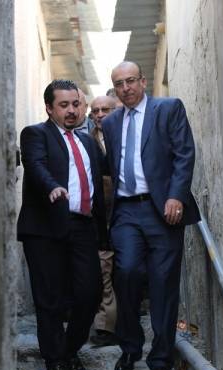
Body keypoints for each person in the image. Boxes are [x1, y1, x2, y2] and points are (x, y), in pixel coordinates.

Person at [101, 61, 200, 370]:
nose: (126, 88)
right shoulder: (111, 123)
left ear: (143, 81)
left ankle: (161, 359)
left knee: (163, 283)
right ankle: (130, 347)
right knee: (126, 272)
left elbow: (184, 154)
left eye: (131, 81)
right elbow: (111, 166)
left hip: (162, 210)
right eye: (119, 83)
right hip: (127, 212)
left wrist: (176, 195)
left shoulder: (168, 109)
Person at [17, 79, 107, 370]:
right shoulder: (35, 134)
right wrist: (52, 186)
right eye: (64, 105)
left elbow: (106, 173)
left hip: (82, 226)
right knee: (49, 298)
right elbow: (36, 165)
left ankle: (69, 351)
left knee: (90, 293)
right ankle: (55, 360)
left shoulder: (88, 142)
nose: (71, 110)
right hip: (45, 227)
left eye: (76, 104)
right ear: (49, 108)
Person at [88, 95, 121, 347]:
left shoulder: (126, 135)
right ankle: (105, 327)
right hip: (101, 216)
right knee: (104, 269)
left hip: (130, 212)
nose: (99, 115)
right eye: (95, 111)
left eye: (105, 110)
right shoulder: (87, 141)